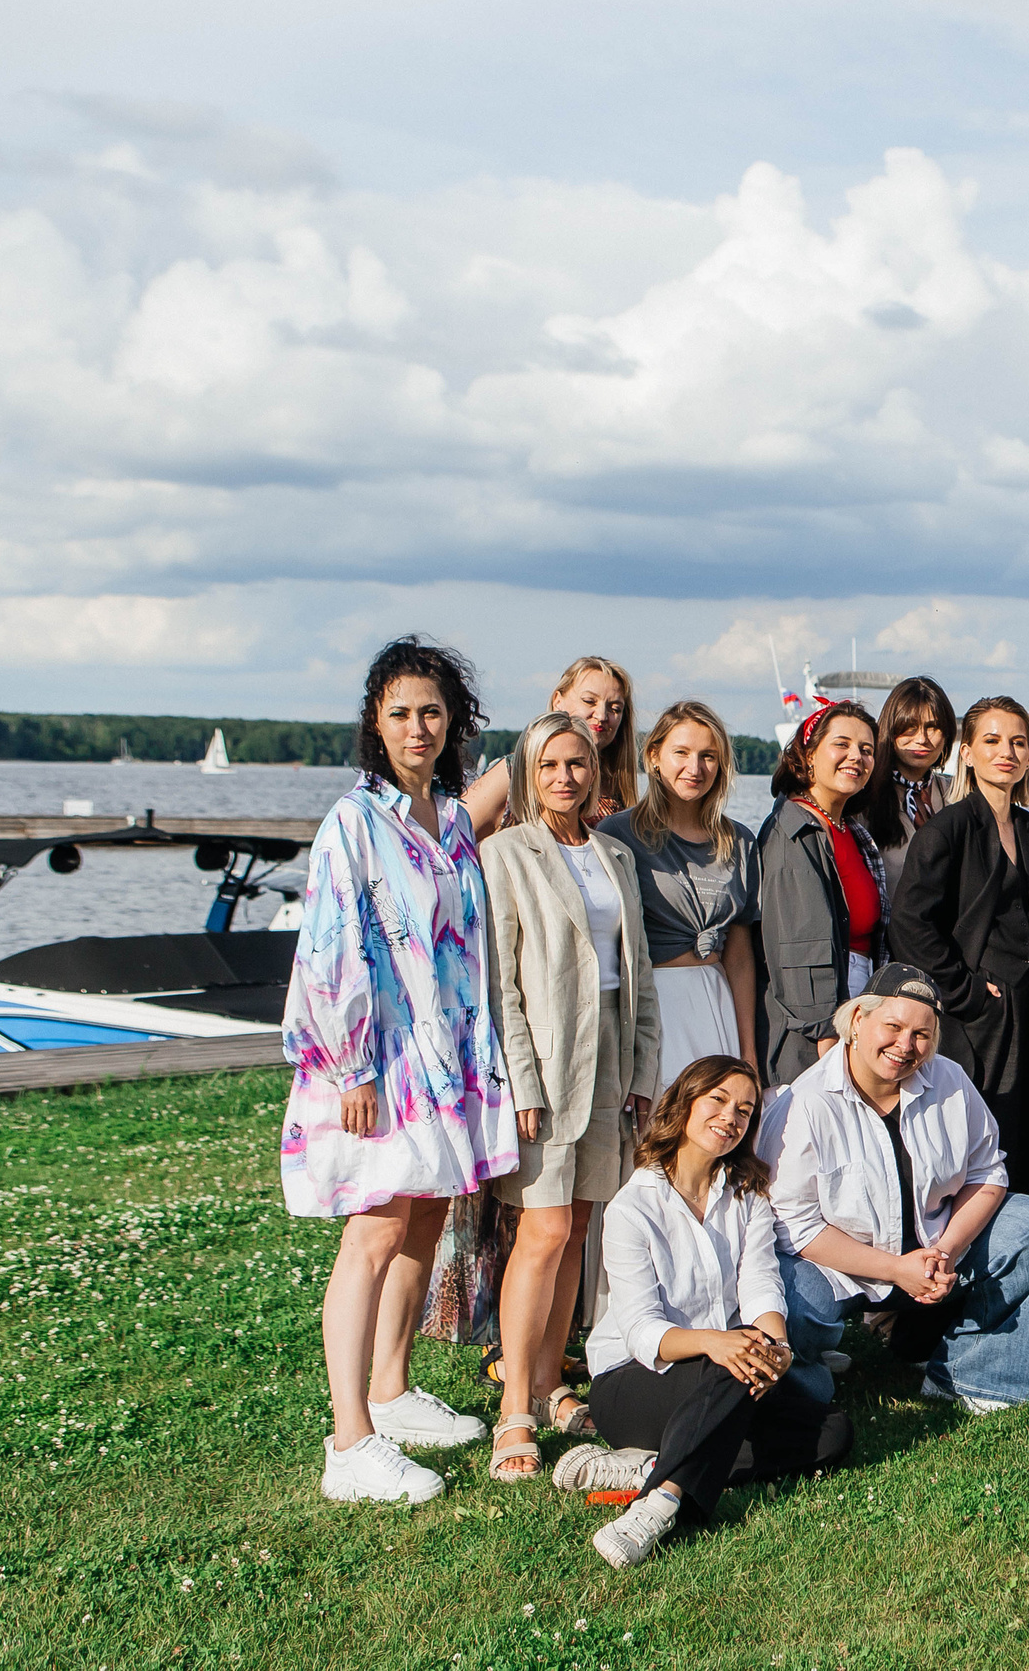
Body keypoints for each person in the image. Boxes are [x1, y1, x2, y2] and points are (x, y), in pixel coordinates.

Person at [281, 636, 513, 1505]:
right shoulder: (356, 820)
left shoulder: (451, 818)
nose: (418, 727)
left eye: (431, 712)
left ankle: (391, 1385)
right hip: (376, 1059)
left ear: (453, 722)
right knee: (374, 1231)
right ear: (376, 725)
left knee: (422, 1221)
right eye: (400, 713)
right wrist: (351, 1066)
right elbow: (331, 947)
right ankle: (350, 1439)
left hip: (445, 1057)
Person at [566, 1056, 854, 1569]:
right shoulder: (632, 1208)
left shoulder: (748, 1197)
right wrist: (715, 1342)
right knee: (733, 1359)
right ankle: (660, 1502)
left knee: (832, 1432)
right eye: (718, 1100)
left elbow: (761, 1285)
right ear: (684, 1103)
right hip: (631, 1381)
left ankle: (650, 1465)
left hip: (720, 1375)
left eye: (745, 1111)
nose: (731, 1118)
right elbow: (641, 1332)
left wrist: (779, 1349)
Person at [479, 713, 661, 1482]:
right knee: (544, 1229)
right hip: (548, 1064)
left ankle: (554, 1380)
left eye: (578, 763)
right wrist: (521, 1079)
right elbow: (500, 983)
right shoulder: (506, 853)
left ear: (596, 770)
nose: (565, 777)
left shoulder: (615, 852)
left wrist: (646, 1072)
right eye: (550, 764)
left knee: (581, 1225)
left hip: (612, 1060)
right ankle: (513, 1405)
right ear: (528, 772)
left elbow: (639, 972)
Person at [766, 964, 1029, 1413]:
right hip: (847, 1270)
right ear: (856, 1022)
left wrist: (943, 1250)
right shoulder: (803, 1104)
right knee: (786, 1299)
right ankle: (810, 1381)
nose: (906, 1046)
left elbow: (986, 1173)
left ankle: (973, 1377)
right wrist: (893, 1269)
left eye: (922, 1034)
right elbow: (795, 1224)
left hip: (934, 1255)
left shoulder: (949, 1080)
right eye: (893, 1026)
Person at [888, 697, 1029, 1202]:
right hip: (979, 1023)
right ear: (966, 752)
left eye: (1018, 742)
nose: (1007, 753)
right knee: (979, 1158)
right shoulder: (946, 829)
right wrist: (963, 991)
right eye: (992, 741)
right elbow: (908, 924)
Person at [599, 701, 759, 1081]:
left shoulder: (739, 841)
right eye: (682, 753)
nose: (695, 767)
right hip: (653, 1004)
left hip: (715, 998)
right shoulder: (617, 835)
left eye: (708, 756)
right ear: (654, 756)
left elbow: (739, 956)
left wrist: (748, 1049)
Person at [758, 700, 886, 1087]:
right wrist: (828, 1034)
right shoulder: (793, 831)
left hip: (857, 998)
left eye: (866, 750)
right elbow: (800, 946)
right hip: (816, 1027)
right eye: (841, 745)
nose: (856, 757)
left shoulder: (849, 829)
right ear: (808, 755)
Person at [461, 655, 638, 836]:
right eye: (589, 701)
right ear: (558, 701)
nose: (602, 715)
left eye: (615, 708)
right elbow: (451, 836)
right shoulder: (515, 771)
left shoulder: (617, 788)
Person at [855, 675, 957, 890]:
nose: (921, 739)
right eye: (909, 727)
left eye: (932, 727)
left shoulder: (956, 795)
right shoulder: (862, 799)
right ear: (890, 730)